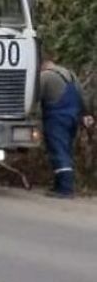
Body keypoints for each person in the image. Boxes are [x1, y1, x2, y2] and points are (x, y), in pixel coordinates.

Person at [38, 58, 94, 198]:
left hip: (56, 118)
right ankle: (59, 186)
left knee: (58, 152)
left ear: (42, 65)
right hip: (73, 118)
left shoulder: (45, 76)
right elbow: (83, 97)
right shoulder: (71, 74)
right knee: (65, 151)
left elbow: (35, 98)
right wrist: (86, 114)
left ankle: (65, 189)